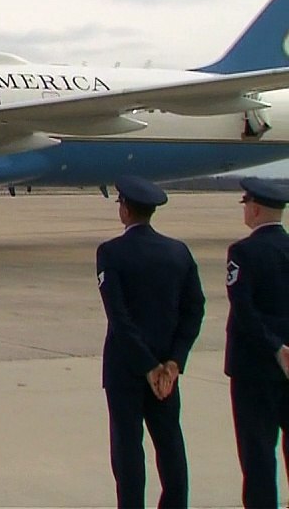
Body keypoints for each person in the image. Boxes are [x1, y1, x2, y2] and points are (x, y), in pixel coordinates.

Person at [96, 175, 205, 509]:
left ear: (125, 210)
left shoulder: (111, 253)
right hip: (166, 373)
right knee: (170, 443)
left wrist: (147, 366)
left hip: (127, 370)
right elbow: (194, 310)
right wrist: (173, 362)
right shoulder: (178, 252)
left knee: (128, 449)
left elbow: (119, 317)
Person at [224, 177, 289, 507]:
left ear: (256, 208)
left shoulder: (244, 252)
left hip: (255, 367)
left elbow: (244, 309)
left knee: (258, 451)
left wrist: (275, 347)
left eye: (247, 204)